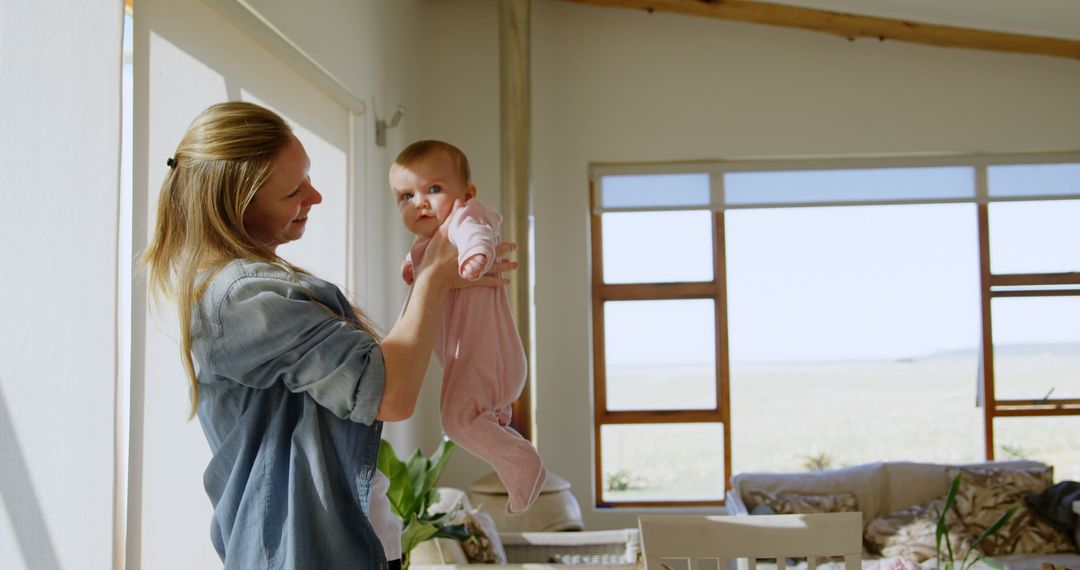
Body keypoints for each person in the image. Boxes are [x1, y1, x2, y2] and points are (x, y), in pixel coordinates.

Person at [143, 102, 515, 570]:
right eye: (293, 191)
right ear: (239, 206)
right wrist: (434, 276)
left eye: (309, 179)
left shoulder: (258, 286)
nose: (315, 197)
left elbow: (376, 368)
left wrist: (437, 277)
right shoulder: (245, 298)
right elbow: (392, 393)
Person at [390, 140, 546, 514]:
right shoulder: (428, 240)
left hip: (488, 357)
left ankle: (524, 465)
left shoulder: (465, 216)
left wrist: (477, 256)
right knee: (462, 418)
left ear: (466, 193)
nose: (420, 202)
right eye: (406, 196)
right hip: (480, 360)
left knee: (456, 421)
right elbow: (427, 268)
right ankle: (506, 436)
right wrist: (413, 267)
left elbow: (479, 234)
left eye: (434, 189)